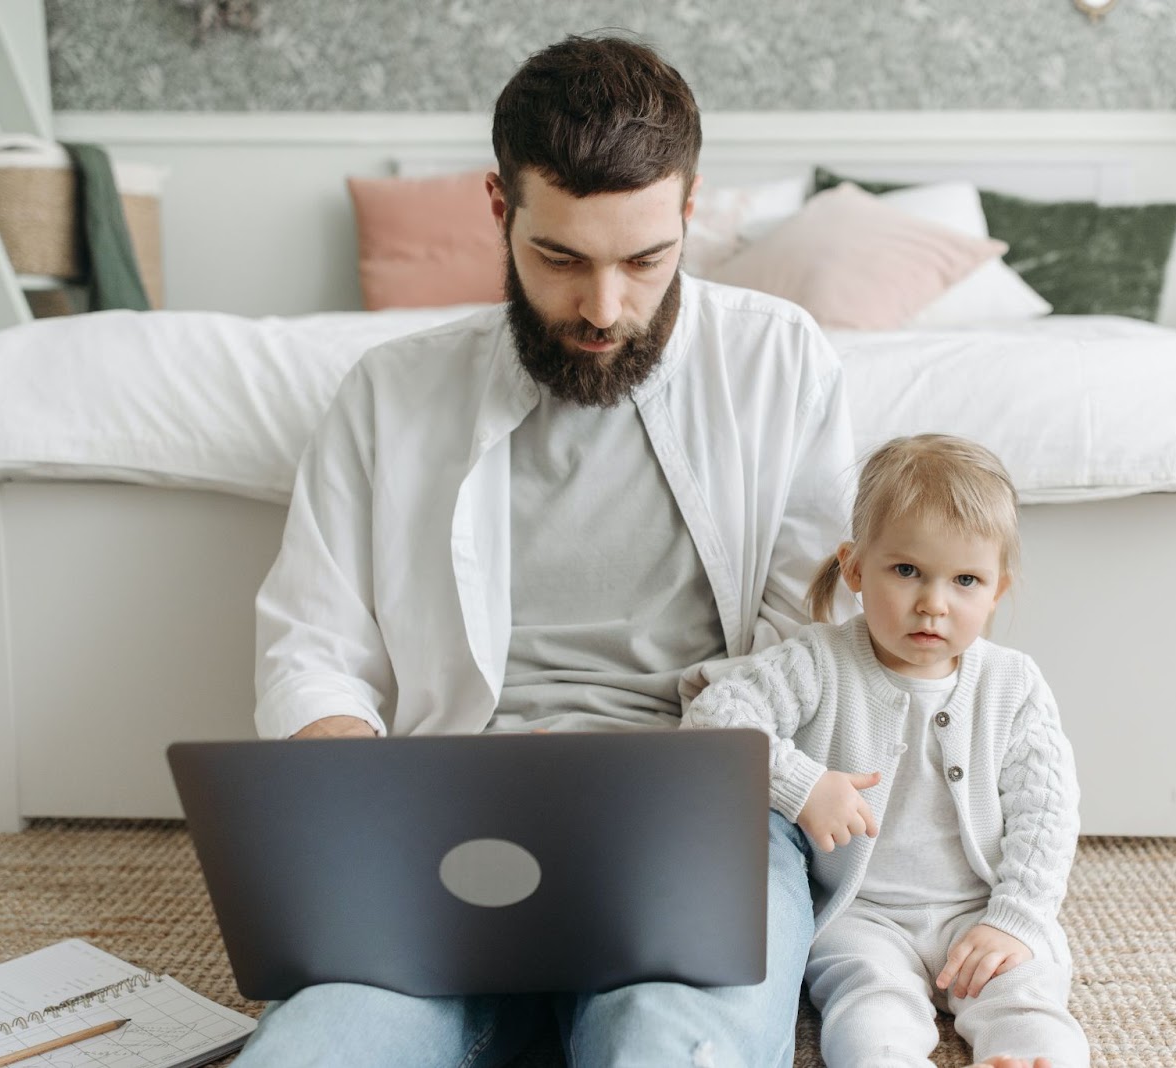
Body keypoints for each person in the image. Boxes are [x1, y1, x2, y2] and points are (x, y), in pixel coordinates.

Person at [239, 32, 855, 1068]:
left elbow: (814, 642)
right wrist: (358, 804)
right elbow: (312, 644)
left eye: (643, 261)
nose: (603, 309)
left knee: (669, 1045)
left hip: (702, 807)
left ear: (689, 207)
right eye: (560, 259)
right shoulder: (389, 394)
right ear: (498, 208)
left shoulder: (779, 360)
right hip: (445, 813)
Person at [685, 434, 1089, 1068]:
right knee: (870, 1003)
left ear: (996, 591)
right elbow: (714, 717)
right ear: (854, 569)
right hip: (861, 914)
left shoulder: (1014, 684)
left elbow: (1047, 813)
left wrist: (1015, 917)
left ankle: (1033, 1058)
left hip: (979, 905)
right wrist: (800, 782)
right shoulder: (818, 662)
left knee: (1028, 990)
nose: (933, 602)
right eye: (907, 571)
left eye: (965, 580)